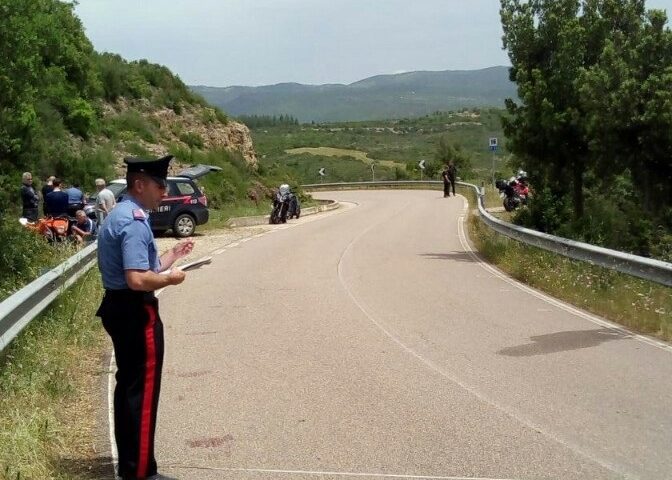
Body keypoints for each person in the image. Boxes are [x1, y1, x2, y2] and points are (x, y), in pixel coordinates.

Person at [96, 155, 193, 480]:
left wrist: (171, 257)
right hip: (136, 313)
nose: (164, 192)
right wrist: (171, 278)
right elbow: (138, 279)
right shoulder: (134, 221)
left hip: (119, 307)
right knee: (143, 391)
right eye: (159, 185)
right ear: (140, 184)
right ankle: (141, 473)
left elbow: (144, 267)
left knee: (129, 389)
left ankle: (130, 466)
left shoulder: (120, 214)